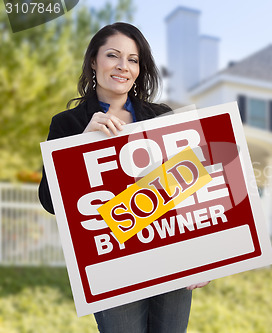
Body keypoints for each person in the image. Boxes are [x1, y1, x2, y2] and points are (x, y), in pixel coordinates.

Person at [38, 22, 208, 333]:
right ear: (94, 61)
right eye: (113, 55)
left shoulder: (159, 116)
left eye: (132, 59)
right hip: (111, 263)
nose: (123, 67)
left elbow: (186, 189)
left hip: (170, 253)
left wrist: (200, 258)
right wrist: (80, 145)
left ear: (140, 68)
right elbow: (50, 201)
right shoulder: (68, 123)